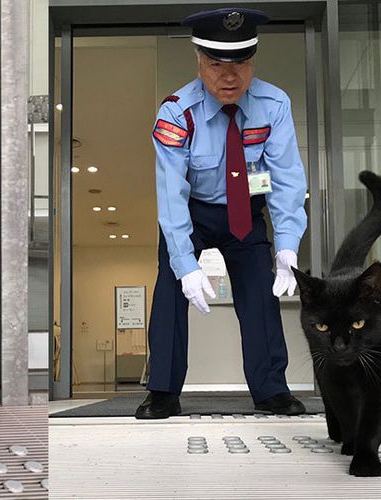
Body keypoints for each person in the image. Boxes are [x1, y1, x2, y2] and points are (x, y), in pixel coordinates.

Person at [135, 7, 308, 419]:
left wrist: (287, 246)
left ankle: (271, 390)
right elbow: (171, 194)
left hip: (245, 211)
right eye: (216, 63)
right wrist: (184, 263)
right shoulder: (176, 113)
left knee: (259, 293)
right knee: (171, 289)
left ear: (253, 61)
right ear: (198, 59)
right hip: (192, 213)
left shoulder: (274, 105)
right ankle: (162, 391)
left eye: (241, 63)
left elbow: (286, 179)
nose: (230, 76)